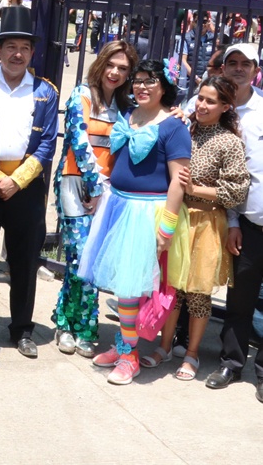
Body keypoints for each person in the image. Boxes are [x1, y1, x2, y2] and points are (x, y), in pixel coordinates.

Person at [79, 60, 191, 385]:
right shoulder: (129, 115)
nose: (141, 86)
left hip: (147, 214)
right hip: (118, 206)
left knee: (130, 290)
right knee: (122, 286)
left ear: (165, 87)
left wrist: (166, 227)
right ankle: (122, 344)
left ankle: (130, 357)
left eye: (150, 81)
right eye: (138, 80)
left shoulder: (174, 126)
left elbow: (178, 181)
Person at [145, 76, 247, 380]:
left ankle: (191, 354)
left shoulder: (229, 142)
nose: (202, 105)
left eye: (211, 101)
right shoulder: (182, 128)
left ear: (226, 106)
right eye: (200, 98)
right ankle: (164, 347)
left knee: (198, 295)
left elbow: (237, 191)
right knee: (171, 288)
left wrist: (196, 189)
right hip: (176, 218)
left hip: (206, 224)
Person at [0, 6, 58, 359]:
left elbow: (48, 143)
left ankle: (22, 328)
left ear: (32, 52)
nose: (17, 54)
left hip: (25, 186)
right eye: (10, 46)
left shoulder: (45, 91)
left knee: (25, 261)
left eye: (24, 47)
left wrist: (15, 181)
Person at [52, 40, 137, 357]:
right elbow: (79, 142)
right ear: (101, 64)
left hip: (108, 193)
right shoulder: (81, 95)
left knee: (91, 261)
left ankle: (74, 323)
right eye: (111, 65)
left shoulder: (126, 107)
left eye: (123, 68)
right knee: (79, 258)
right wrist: (96, 190)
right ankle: (73, 325)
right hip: (76, 185)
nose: (115, 72)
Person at [204, 44, 263, 401]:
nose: (239, 69)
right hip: (245, 223)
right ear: (223, 67)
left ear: (256, 69)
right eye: (232, 63)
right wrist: (233, 220)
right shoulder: (215, 108)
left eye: (246, 63)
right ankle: (231, 362)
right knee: (239, 297)